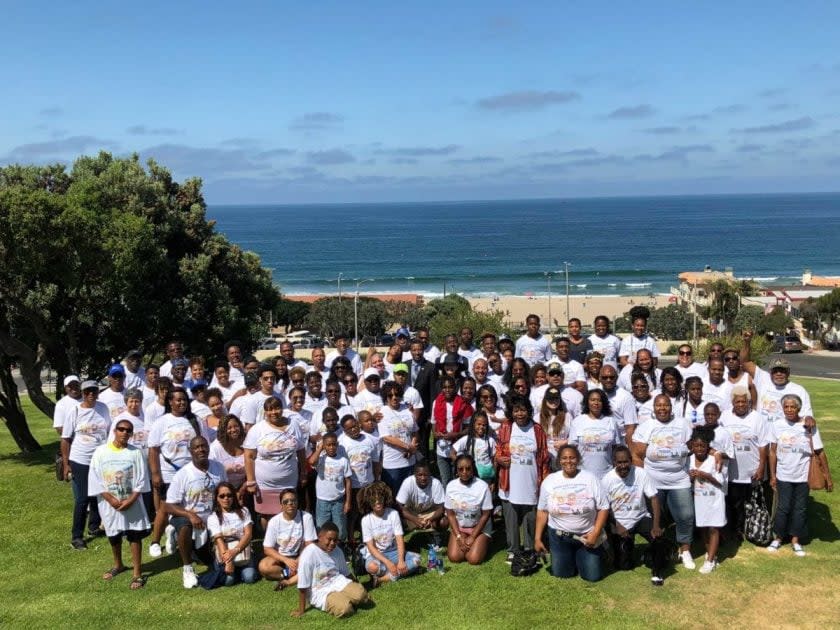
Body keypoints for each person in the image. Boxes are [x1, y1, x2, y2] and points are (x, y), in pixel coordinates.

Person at [632, 395, 696, 570]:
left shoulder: (683, 424)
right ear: (654, 408)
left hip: (679, 478)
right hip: (654, 480)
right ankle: (660, 549)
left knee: (686, 515)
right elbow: (638, 452)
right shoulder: (647, 426)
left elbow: (692, 447)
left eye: (665, 405)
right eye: (658, 405)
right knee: (656, 518)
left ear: (671, 407)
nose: (662, 408)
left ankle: (685, 549)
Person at [88, 417, 150, 589]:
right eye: (121, 429)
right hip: (109, 502)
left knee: (134, 534)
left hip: (132, 501)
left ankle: (137, 573)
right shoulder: (101, 452)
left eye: (128, 430)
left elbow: (141, 479)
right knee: (113, 533)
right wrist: (111, 499)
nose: (124, 432)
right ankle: (118, 565)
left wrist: (130, 500)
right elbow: (95, 478)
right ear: (114, 431)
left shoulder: (135, 453)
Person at [767, 394, 833, 556]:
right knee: (783, 508)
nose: (789, 410)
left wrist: (828, 477)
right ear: (783, 408)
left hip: (803, 476)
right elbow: (773, 452)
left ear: (798, 408)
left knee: (800, 509)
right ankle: (778, 538)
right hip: (783, 475)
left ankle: (795, 540)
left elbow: (820, 452)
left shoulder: (808, 426)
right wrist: (773, 475)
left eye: (793, 407)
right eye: (786, 407)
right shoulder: (777, 425)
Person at [534, 445, 609, 582]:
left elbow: (603, 507)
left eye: (572, 458)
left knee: (592, 576)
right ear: (559, 461)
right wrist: (537, 538)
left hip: (586, 536)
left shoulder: (590, 479)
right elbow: (542, 511)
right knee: (562, 574)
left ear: (578, 459)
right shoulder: (550, 481)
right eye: (564, 458)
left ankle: (596, 552)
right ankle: (571, 559)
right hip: (559, 537)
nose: (568, 461)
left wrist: (596, 533)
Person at [146, 387, 207, 558]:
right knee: (166, 507)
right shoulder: (161, 422)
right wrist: (155, 473)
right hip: (169, 472)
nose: (181, 403)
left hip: (192, 472)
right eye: (177, 400)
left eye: (184, 400)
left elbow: (204, 443)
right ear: (170, 402)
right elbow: (153, 449)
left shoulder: (196, 420)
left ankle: (186, 541)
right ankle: (155, 541)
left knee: (191, 507)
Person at [165, 436, 227, 588]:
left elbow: (225, 492)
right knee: (185, 526)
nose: (201, 450)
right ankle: (187, 568)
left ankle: (189, 545)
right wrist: (190, 515)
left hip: (211, 520)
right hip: (188, 517)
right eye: (197, 447)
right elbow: (168, 505)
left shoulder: (218, 467)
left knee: (209, 561)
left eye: (204, 446)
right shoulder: (183, 474)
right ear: (191, 451)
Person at [495, 394, 551, 562]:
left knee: (530, 516)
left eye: (523, 410)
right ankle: (513, 549)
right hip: (509, 480)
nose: (520, 414)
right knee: (511, 518)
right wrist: (498, 457)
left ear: (529, 411)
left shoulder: (537, 429)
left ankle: (529, 548)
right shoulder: (506, 427)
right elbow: (498, 449)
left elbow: (543, 456)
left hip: (531, 478)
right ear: (511, 412)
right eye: (516, 410)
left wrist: (544, 480)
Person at [601, 445, 667, 585]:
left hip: (640, 517)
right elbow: (605, 508)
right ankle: (626, 548)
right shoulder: (607, 480)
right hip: (620, 522)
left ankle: (657, 572)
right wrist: (617, 526)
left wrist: (656, 526)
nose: (623, 465)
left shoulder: (641, 473)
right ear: (614, 463)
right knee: (624, 566)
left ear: (631, 460)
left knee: (659, 539)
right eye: (619, 462)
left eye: (626, 462)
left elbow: (654, 498)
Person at [243, 397, 306, 530]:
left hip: (289, 482)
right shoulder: (257, 429)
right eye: (270, 409)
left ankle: (287, 544)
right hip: (265, 485)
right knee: (267, 516)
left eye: (277, 408)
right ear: (265, 412)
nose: (274, 412)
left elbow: (301, 451)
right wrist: (250, 481)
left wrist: (303, 473)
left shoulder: (293, 425)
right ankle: (268, 543)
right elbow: (249, 456)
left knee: (289, 513)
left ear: (282, 409)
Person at [62, 380, 111, 549]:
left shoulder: (103, 408)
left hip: (100, 460)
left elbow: (109, 431)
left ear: (98, 392)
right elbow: (66, 439)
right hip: (80, 460)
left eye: (94, 391)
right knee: (82, 499)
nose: (91, 394)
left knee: (98, 495)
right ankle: (77, 537)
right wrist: (67, 464)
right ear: (82, 393)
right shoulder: (74, 411)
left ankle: (94, 527)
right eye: (87, 391)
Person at [292, 521, 370, 618]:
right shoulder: (309, 554)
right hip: (320, 590)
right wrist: (301, 610)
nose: (332, 543)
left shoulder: (337, 550)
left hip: (338, 581)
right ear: (320, 537)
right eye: (329, 539)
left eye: (335, 540)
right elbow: (302, 585)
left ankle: (344, 597)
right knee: (345, 609)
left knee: (362, 595)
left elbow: (346, 573)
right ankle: (341, 600)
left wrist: (357, 584)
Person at [719, 386, 769, 539]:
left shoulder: (758, 418)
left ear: (749, 402)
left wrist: (761, 467)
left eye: (744, 402)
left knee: (751, 502)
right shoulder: (724, 417)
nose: (741, 404)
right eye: (737, 402)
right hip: (732, 470)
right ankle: (736, 529)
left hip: (752, 469)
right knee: (734, 502)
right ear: (732, 402)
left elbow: (763, 445)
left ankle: (752, 527)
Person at [358, 482, 421, 585]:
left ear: (385, 498)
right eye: (373, 500)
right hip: (378, 555)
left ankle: (381, 579)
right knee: (371, 567)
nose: (377, 502)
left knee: (417, 560)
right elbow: (371, 547)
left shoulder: (393, 514)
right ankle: (400, 571)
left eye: (380, 498)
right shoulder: (366, 520)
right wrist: (388, 563)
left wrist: (401, 560)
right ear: (368, 502)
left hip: (394, 552)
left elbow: (399, 539)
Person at [260, 488, 317, 590]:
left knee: (312, 563)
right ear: (281, 505)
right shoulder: (274, 521)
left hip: (300, 556)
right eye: (286, 501)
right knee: (263, 566)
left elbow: (310, 545)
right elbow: (267, 548)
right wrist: (286, 560)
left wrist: (298, 561)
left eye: (293, 501)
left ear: (297, 502)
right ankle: (293, 574)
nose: (290, 503)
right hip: (281, 557)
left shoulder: (306, 517)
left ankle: (291, 575)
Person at [338, 415, 381, 546]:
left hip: (368, 483)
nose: (354, 430)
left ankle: (368, 538)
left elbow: (375, 461)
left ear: (358, 424)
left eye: (355, 426)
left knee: (368, 512)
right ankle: (351, 540)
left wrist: (375, 479)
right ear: (344, 431)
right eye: (349, 429)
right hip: (354, 485)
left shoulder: (369, 439)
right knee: (353, 514)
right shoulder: (343, 443)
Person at [689, 427, 727, 574]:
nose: (699, 449)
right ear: (692, 445)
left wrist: (704, 474)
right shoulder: (689, 459)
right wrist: (692, 477)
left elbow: (720, 483)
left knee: (713, 528)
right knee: (703, 528)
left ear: (708, 447)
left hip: (715, 500)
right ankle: (711, 554)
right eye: (697, 446)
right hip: (699, 500)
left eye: (703, 446)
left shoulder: (714, 460)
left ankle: (710, 561)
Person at [445, 454, 493, 565]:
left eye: (468, 468)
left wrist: (472, 537)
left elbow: (486, 514)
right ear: (456, 471)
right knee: (454, 557)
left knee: (473, 559)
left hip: (479, 528)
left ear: (473, 469)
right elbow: (450, 514)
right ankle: (468, 541)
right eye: (460, 469)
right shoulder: (451, 486)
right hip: (460, 528)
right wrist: (458, 535)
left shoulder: (483, 486)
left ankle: (484, 541)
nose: (464, 472)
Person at [206, 482, 257, 586]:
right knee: (228, 581)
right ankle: (234, 571)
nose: (226, 498)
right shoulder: (213, 517)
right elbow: (219, 540)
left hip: (242, 549)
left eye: (229, 495)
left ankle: (242, 570)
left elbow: (248, 535)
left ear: (234, 496)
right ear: (217, 498)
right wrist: (228, 562)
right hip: (224, 550)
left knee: (250, 578)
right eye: (222, 496)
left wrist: (235, 551)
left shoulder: (244, 511)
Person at [309, 432, 352, 542]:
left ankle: (341, 548)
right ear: (324, 445)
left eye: (334, 444)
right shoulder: (321, 459)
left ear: (337, 445)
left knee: (340, 528)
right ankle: (323, 549)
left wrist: (348, 502)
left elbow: (348, 481)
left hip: (338, 500)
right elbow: (311, 461)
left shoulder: (343, 460)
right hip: (323, 501)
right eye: (328, 445)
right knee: (322, 527)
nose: (331, 447)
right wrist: (319, 449)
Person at [377, 381, 419, 496]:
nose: (394, 397)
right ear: (386, 397)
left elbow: (415, 431)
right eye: (390, 395)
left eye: (397, 394)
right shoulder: (382, 412)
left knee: (408, 494)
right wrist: (408, 447)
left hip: (409, 461)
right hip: (392, 463)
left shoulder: (407, 409)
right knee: (393, 495)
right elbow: (386, 438)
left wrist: (413, 447)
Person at [569, 389, 621, 479]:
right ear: (587, 402)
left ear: (603, 403)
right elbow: (572, 449)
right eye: (592, 400)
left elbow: (616, 449)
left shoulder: (611, 421)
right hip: (583, 474)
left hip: (607, 474)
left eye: (599, 400)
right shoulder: (577, 421)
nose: (596, 403)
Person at [433, 375, 473, 487]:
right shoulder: (436, 402)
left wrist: (456, 434)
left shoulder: (463, 404)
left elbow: (469, 428)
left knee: (459, 480)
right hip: (441, 450)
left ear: (455, 388)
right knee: (446, 481)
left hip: (458, 450)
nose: (447, 390)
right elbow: (433, 423)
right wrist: (436, 433)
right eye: (444, 387)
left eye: (450, 387)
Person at [395, 463, 448, 545]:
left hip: (429, 513)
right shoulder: (408, 482)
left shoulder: (436, 483)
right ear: (415, 475)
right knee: (397, 520)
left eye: (426, 475)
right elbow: (399, 506)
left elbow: (441, 508)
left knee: (443, 521)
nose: (423, 478)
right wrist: (415, 519)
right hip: (412, 513)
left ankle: (437, 537)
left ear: (430, 474)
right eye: (420, 475)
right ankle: (401, 544)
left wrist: (430, 519)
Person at [451, 411, 497, 487]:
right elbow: (452, 453)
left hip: (486, 477)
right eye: (479, 424)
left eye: (484, 425)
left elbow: (495, 460)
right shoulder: (466, 439)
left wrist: (493, 480)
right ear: (473, 424)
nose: (481, 427)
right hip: (471, 477)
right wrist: (462, 465)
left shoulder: (490, 441)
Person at [209, 414, 247, 491]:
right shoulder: (215, 448)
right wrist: (227, 470)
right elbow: (210, 472)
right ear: (223, 430)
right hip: (222, 490)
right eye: (229, 428)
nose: (233, 430)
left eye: (236, 426)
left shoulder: (247, 442)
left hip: (246, 487)